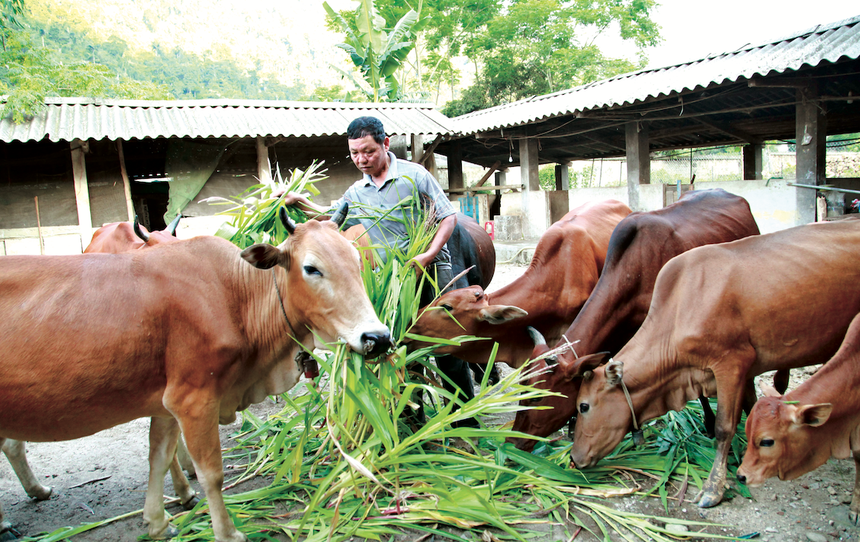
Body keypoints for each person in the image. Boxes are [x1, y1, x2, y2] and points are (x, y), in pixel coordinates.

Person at [279, 116, 478, 428]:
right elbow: (330, 221)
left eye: (368, 151)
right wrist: (302, 203)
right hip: (392, 278)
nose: (362, 159)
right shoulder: (357, 192)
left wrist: (426, 255)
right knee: (397, 347)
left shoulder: (415, 176)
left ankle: (466, 422)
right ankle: (413, 421)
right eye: (355, 153)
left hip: (431, 268)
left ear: (386, 144)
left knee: (445, 345)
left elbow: (448, 218)